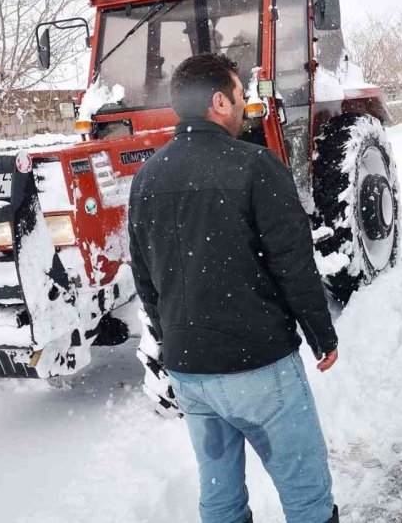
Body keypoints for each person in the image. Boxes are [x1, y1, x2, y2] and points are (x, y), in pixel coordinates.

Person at [127, 53, 341, 523]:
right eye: (242, 95)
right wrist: (321, 333)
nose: (246, 104)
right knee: (306, 493)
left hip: (190, 373)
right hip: (258, 366)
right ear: (219, 102)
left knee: (220, 497)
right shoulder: (256, 165)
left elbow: (144, 276)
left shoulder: (146, 178)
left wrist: (173, 340)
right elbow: (294, 265)